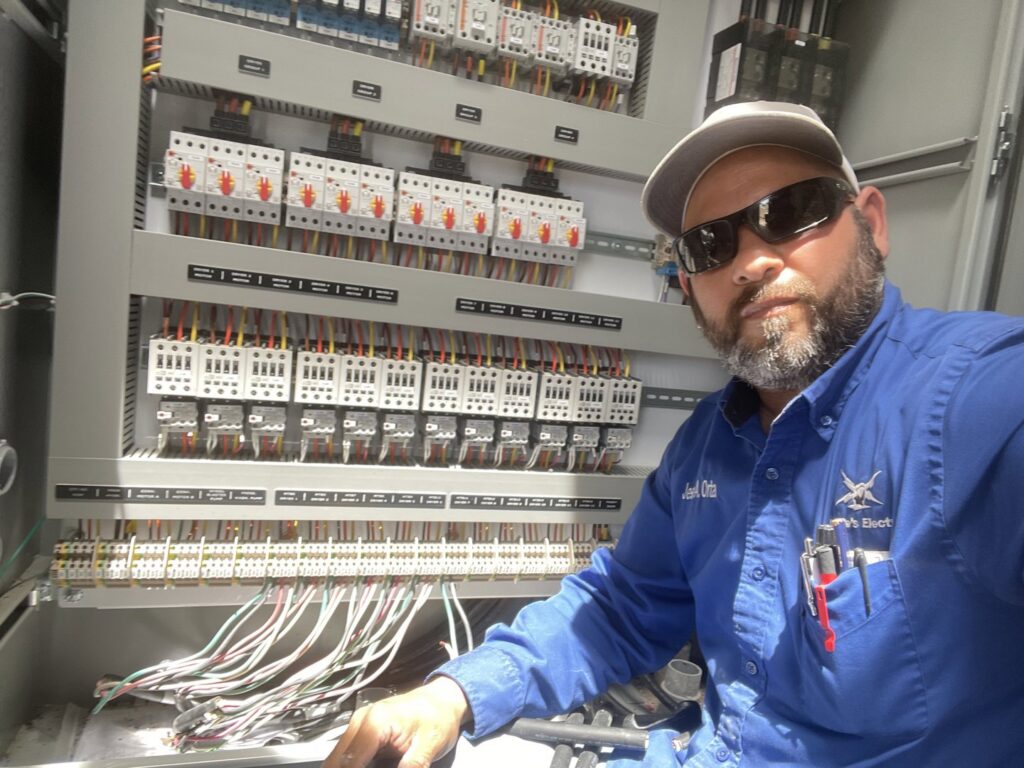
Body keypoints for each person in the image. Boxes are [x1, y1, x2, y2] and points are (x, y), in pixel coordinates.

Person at [325, 101, 1024, 768]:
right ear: (687, 287)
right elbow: (619, 607)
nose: (750, 261)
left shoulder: (973, 401)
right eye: (710, 244)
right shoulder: (707, 445)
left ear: (871, 221)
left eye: (790, 212)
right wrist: (454, 694)